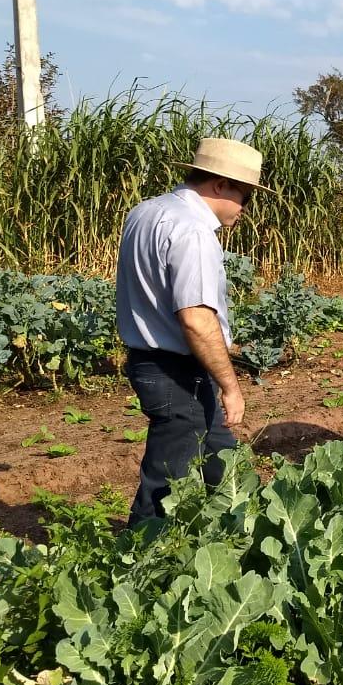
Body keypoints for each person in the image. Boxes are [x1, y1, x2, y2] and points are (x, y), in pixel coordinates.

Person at [116, 137, 269, 525]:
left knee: (221, 456)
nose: (244, 209)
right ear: (220, 185)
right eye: (245, 196)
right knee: (167, 482)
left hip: (150, 362)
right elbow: (197, 321)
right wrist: (231, 387)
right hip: (176, 371)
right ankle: (139, 557)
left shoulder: (145, 212)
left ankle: (247, 526)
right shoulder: (194, 231)